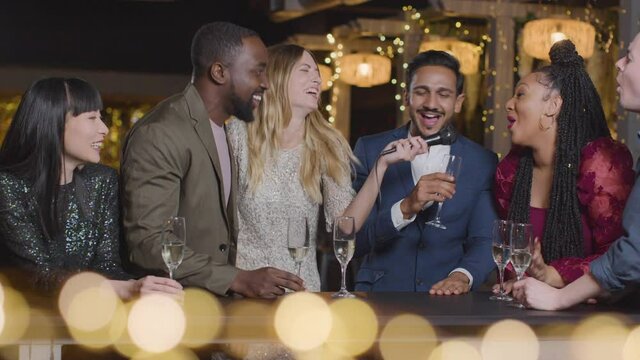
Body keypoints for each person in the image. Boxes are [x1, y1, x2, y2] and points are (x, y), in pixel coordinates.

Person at [120, 22, 305, 298]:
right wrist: (237, 279)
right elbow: (148, 242)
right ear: (219, 72)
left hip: (211, 310)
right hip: (170, 311)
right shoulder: (161, 132)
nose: (265, 83)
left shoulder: (220, 128)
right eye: (257, 71)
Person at [226, 44, 426, 291]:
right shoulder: (236, 134)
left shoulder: (327, 144)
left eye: (317, 74)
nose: (316, 79)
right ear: (278, 76)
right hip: (245, 289)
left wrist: (381, 165)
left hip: (300, 291)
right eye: (305, 70)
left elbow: (345, 225)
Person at [0, 77, 182, 300]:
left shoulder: (102, 181)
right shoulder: (7, 185)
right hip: (23, 321)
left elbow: (107, 265)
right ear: (54, 123)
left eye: (101, 116)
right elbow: (39, 276)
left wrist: (142, 286)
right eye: (92, 117)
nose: (104, 129)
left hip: (87, 316)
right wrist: (126, 289)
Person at [351, 50, 497, 294]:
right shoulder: (370, 149)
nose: (431, 104)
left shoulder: (482, 161)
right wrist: (406, 207)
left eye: (443, 94)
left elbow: (483, 240)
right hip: (380, 298)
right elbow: (353, 241)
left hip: (448, 304)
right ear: (406, 97)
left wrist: (462, 277)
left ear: (458, 102)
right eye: (421, 92)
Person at [494, 40, 635, 293]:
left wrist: (553, 275)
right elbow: (508, 257)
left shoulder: (600, 163)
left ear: (553, 106)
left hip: (596, 317)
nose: (509, 104)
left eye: (521, 94)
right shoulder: (511, 171)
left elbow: (621, 256)